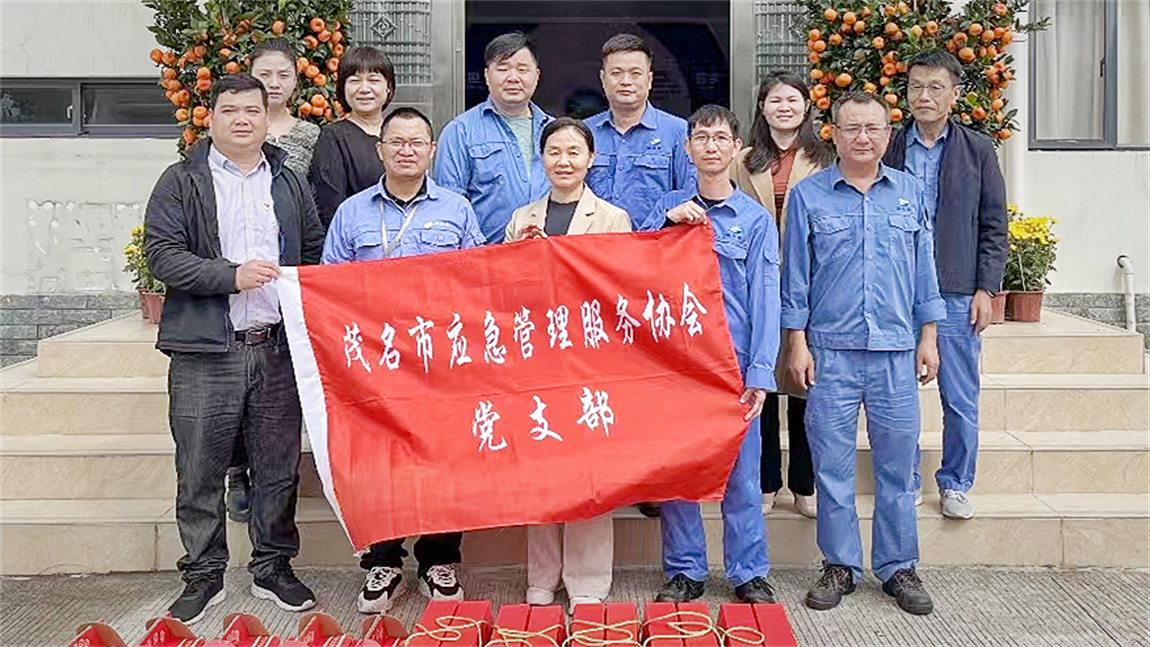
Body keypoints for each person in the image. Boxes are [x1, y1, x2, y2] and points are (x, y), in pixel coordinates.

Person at [144, 74, 324, 624]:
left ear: (268, 119)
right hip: (206, 351)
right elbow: (162, 255)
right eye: (230, 110)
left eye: (254, 109)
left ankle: (273, 566)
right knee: (199, 466)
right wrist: (230, 275)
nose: (243, 119)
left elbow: (313, 249)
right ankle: (203, 573)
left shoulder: (289, 182)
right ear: (212, 118)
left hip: (275, 348)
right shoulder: (181, 181)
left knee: (277, 467)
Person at [782, 92, 945, 616]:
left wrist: (929, 336)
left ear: (888, 132)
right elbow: (796, 278)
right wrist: (797, 343)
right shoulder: (809, 196)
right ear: (833, 132)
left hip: (897, 351)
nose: (864, 137)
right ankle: (839, 566)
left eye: (874, 128)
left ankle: (898, 566)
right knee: (832, 465)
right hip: (830, 352)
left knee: (899, 466)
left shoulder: (910, 192)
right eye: (852, 128)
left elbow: (925, 269)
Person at [322, 107, 484, 613]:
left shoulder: (457, 210)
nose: (407, 150)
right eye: (397, 142)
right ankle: (383, 561)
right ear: (381, 150)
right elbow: (331, 285)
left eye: (417, 142)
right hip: (374, 363)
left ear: (433, 151)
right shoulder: (351, 212)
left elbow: (480, 280)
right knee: (377, 461)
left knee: (444, 458)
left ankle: (439, 557)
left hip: (441, 361)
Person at [649, 105, 780, 605]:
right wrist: (665, 219)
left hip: (733, 366)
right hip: (678, 366)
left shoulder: (754, 220)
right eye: (700, 138)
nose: (710, 146)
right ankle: (685, 571)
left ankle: (748, 571)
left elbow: (767, 296)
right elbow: (633, 267)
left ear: (736, 149)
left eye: (720, 138)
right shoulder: (667, 210)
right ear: (687, 149)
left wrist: (761, 371)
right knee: (681, 472)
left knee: (742, 476)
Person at [503, 118, 630, 611]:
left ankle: (589, 580)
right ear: (542, 158)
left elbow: (621, 290)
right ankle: (542, 575)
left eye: (574, 151)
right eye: (554, 151)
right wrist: (520, 254)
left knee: (589, 473)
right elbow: (504, 293)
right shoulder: (521, 218)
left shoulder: (613, 218)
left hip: (591, 360)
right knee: (540, 467)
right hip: (537, 360)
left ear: (591, 159)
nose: (564, 160)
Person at [883, 50, 1008, 520]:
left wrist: (986, 289)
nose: (924, 96)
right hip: (897, 289)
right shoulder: (889, 146)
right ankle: (907, 478)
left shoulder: (977, 149)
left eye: (936, 87)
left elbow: (995, 223)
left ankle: (955, 482)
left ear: (955, 95)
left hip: (957, 290)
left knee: (959, 396)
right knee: (898, 396)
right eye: (916, 86)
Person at [222, 39, 322, 525]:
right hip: (226, 299)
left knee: (278, 406)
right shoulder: (217, 150)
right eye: (265, 74)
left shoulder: (308, 139)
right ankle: (236, 472)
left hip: (282, 281)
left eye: (283, 75)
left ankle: (275, 539)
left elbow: (311, 218)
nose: (274, 83)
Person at [732, 71, 835, 519]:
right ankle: (768, 480)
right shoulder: (745, 160)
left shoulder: (826, 158)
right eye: (775, 100)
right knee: (766, 384)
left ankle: (805, 483)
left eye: (793, 100)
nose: (784, 107)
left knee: (805, 383)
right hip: (755, 280)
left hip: (810, 278)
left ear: (807, 107)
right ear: (763, 108)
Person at [435, 32, 553, 244]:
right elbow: (449, 206)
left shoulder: (556, 131)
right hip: (485, 256)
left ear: (537, 76)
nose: (513, 77)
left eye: (522, 69)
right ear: (487, 75)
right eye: (503, 68)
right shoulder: (460, 131)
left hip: (550, 255)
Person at [584, 34, 695, 231]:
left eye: (635, 73)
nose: (626, 81)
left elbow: (689, 199)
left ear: (650, 79)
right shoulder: (584, 132)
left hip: (656, 248)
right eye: (616, 73)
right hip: (594, 249)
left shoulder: (678, 132)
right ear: (603, 78)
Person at [309, 46, 395, 228]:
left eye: (373, 80)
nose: (364, 89)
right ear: (343, 88)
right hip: (358, 241)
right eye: (355, 81)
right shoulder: (333, 138)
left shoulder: (400, 133)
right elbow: (330, 207)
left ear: (388, 87)